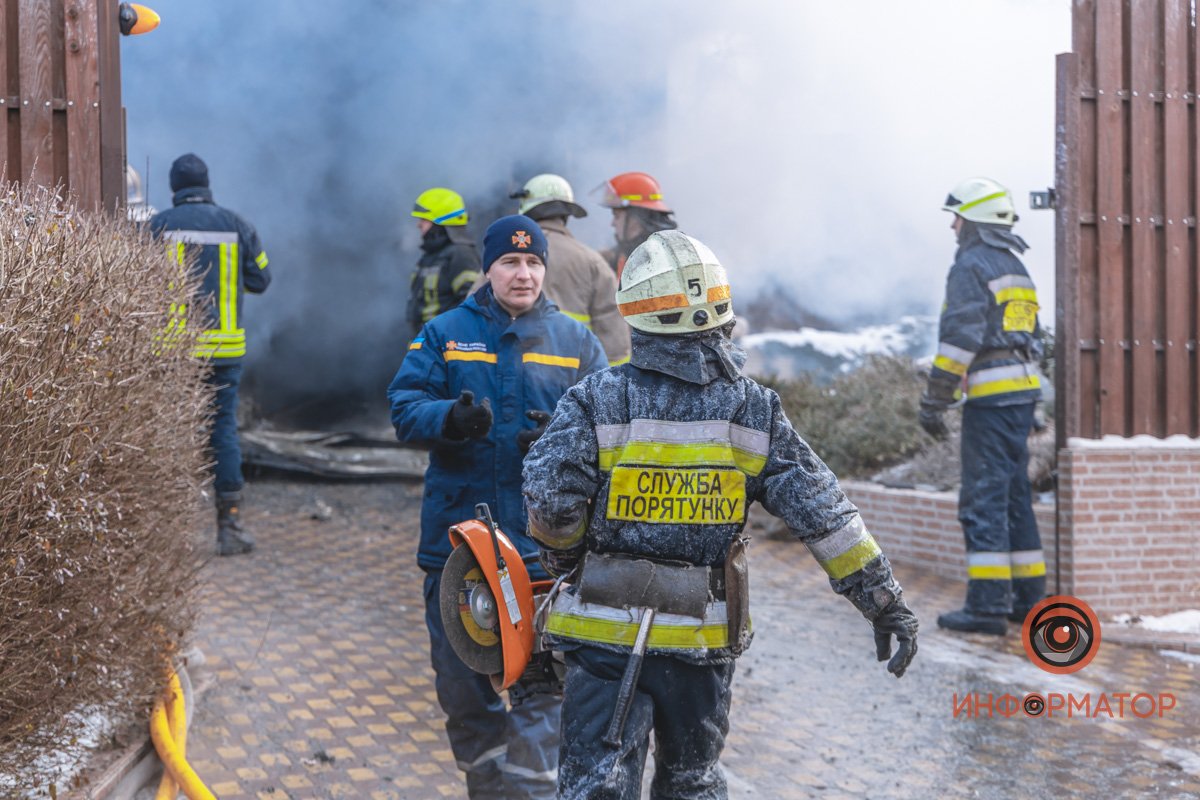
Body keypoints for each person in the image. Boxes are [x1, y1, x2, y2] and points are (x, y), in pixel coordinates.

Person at [522, 231, 918, 799]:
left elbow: (551, 497)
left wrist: (564, 555)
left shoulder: (598, 397)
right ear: (722, 313)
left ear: (636, 312)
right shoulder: (753, 409)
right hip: (701, 643)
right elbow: (824, 514)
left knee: (595, 788)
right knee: (692, 785)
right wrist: (884, 603)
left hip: (600, 637)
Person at [388, 215, 607, 799]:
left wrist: (560, 445)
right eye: (510, 262)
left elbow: (610, 434)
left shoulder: (576, 342)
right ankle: (488, 790)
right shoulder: (445, 333)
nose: (524, 273)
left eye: (534, 262)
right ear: (488, 268)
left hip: (545, 557)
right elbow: (404, 407)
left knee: (543, 690)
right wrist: (450, 420)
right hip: (458, 551)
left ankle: (527, 794)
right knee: (463, 690)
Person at [920, 177, 1046, 636]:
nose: (953, 226)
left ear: (974, 221)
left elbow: (959, 342)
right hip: (1022, 399)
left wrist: (934, 402)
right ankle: (1030, 602)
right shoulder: (1017, 267)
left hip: (991, 405)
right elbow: (1032, 339)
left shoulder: (970, 266)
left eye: (957, 217)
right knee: (1016, 499)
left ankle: (987, 607)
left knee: (983, 502)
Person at [149, 153, 272, 556]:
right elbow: (261, 280)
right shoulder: (236, 225)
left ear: (175, 188)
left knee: (170, 432)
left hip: (174, 352)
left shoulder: (157, 227)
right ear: (207, 185)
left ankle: (164, 533)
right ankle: (230, 526)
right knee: (221, 431)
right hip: (225, 352)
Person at [513, 173, 631, 366]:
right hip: (575, 376)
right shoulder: (593, 262)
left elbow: (473, 312)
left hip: (515, 373)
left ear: (526, 209)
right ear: (566, 215)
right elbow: (615, 340)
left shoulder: (505, 258)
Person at [408, 187, 480, 339]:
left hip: (445, 347)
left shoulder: (461, 254)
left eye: (424, 219)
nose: (419, 225)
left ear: (439, 222)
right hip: (426, 345)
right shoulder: (430, 256)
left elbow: (472, 304)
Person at [593, 171, 678, 278]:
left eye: (617, 215)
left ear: (635, 218)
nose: (612, 223)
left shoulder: (661, 259)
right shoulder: (624, 254)